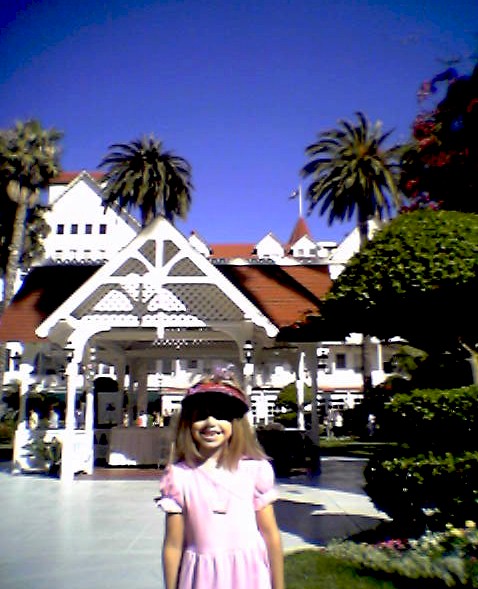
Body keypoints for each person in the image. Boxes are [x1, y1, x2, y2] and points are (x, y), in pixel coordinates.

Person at [157, 371, 284, 589]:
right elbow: (173, 545)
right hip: (201, 578)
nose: (210, 422)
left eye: (221, 415)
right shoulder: (179, 477)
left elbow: (271, 536)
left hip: (249, 575)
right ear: (188, 424)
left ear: (236, 424)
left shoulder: (254, 471)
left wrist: (278, 585)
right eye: (201, 415)